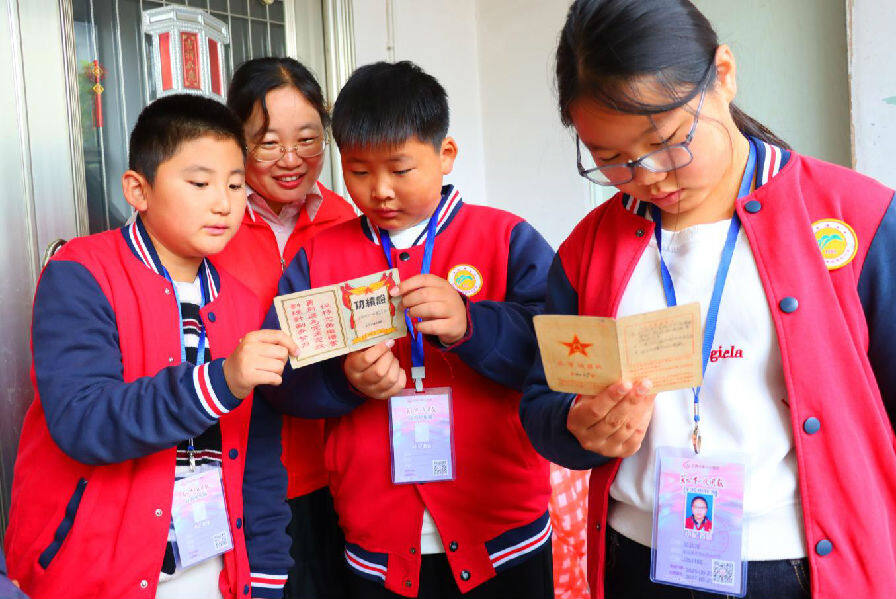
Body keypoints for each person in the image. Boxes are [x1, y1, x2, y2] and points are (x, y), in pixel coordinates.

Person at [519, 1, 896, 598]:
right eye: (610, 160)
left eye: (667, 143)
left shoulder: (856, 220)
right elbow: (542, 401)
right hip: (638, 562)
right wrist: (577, 425)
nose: (647, 177)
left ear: (723, 74)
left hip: (798, 566)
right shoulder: (587, 251)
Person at [261, 60, 555, 598]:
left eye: (400, 169)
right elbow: (279, 378)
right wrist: (345, 382)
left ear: (445, 156)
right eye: (358, 171)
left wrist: (473, 324)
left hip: (502, 526)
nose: (380, 191)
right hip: (375, 531)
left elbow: (556, 355)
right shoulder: (317, 256)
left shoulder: (504, 235)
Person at [3, 94, 298, 599]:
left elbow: (258, 455)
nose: (224, 204)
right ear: (138, 190)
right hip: (97, 572)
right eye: (200, 183)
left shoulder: (245, 303)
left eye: (234, 185)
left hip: (216, 571)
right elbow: (84, 421)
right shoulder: (81, 275)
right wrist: (220, 380)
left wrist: (266, 573)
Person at [213, 56, 356, 599]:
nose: (292, 160)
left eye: (310, 139)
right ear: (236, 140)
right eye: (268, 143)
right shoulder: (212, 224)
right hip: (243, 475)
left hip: (341, 471)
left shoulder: (349, 221)